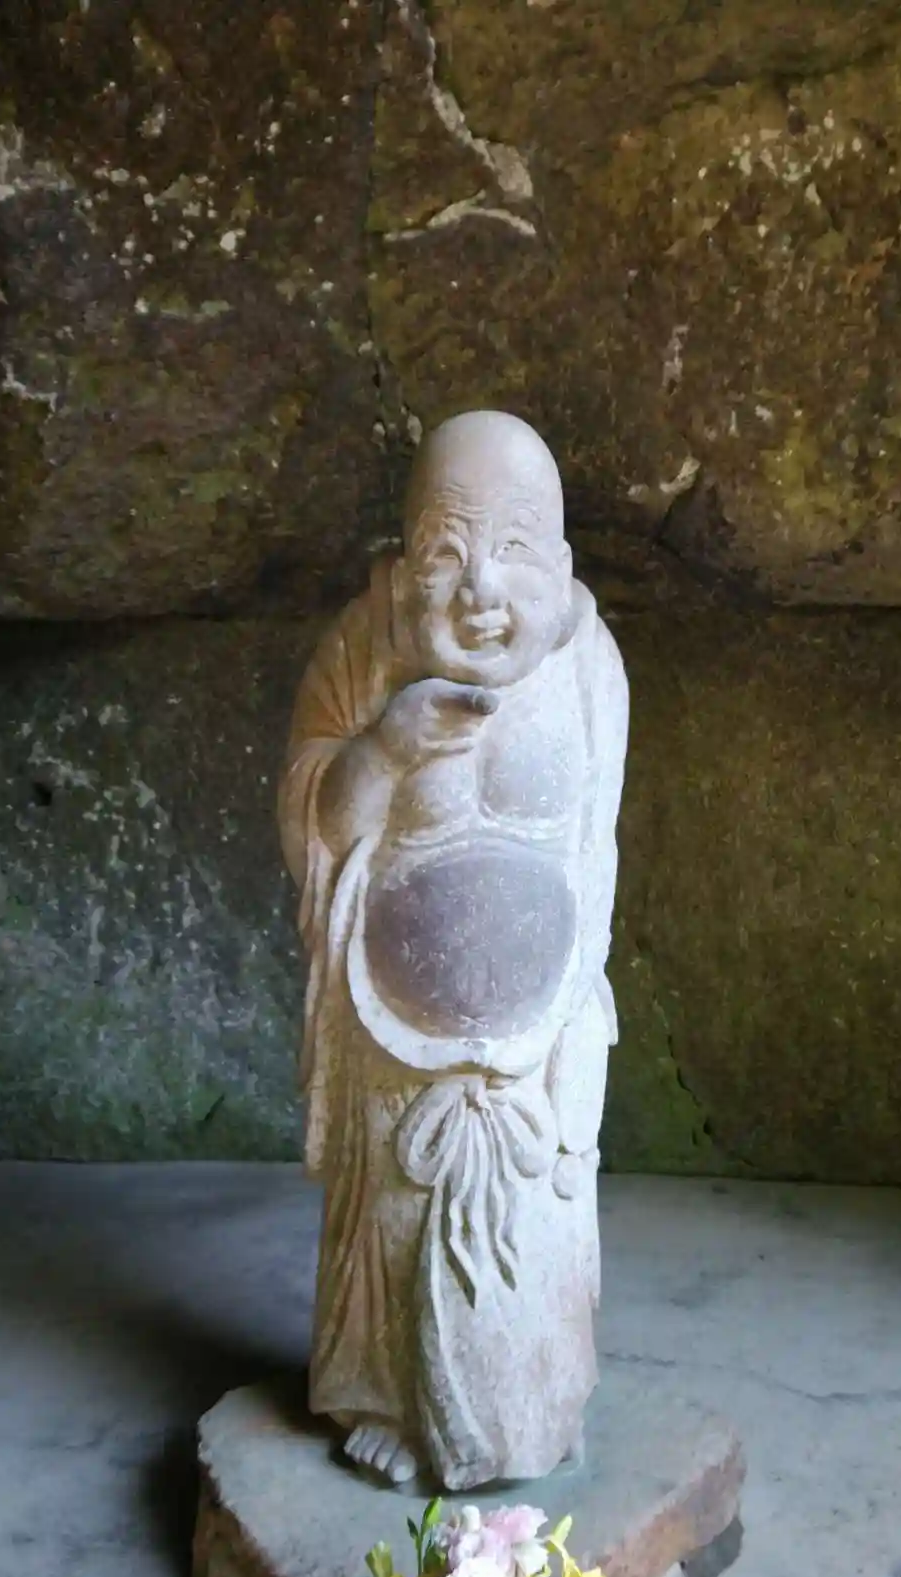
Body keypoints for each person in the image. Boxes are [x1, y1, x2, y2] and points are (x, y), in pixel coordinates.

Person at [278, 411, 628, 1489]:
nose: (480, 587)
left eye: (514, 549)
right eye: (445, 550)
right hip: (394, 1029)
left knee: (529, 1237)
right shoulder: (363, 651)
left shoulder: (590, 668)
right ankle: (391, 1399)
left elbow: (596, 847)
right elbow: (312, 823)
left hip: (530, 1033)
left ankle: (536, 1401)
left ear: (560, 569)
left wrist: (571, 1020)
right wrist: (385, 749)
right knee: (397, 1222)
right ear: (402, 566)